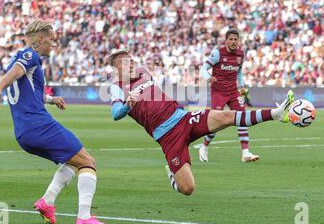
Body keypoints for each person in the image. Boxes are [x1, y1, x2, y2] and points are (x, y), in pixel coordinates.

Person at [108, 49, 294, 196]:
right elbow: (115, 114)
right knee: (188, 189)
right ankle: (173, 175)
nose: (131, 63)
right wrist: (127, 104)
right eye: (125, 62)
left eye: (131, 59)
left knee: (226, 116)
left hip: (184, 119)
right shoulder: (116, 88)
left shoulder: (143, 72)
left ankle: (275, 113)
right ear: (117, 69)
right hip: (167, 137)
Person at [0, 20, 108, 224]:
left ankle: (47, 202)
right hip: (39, 126)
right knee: (88, 162)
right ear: (41, 38)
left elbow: (29, 92)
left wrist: (52, 99)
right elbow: (17, 70)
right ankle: (84, 217)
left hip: (24, 133)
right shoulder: (29, 56)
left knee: (72, 160)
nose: (53, 44)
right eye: (52, 39)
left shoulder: (21, 60)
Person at [198, 29, 259, 163]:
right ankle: (204, 146)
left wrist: (241, 86)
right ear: (226, 41)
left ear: (238, 41)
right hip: (218, 92)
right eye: (230, 39)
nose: (233, 42)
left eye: (235, 39)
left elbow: (239, 72)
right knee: (216, 121)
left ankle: (245, 152)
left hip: (233, 91)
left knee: (242, 118)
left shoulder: (241, 54)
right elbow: (203, 69)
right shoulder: (217, 53)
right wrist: (208, 77)